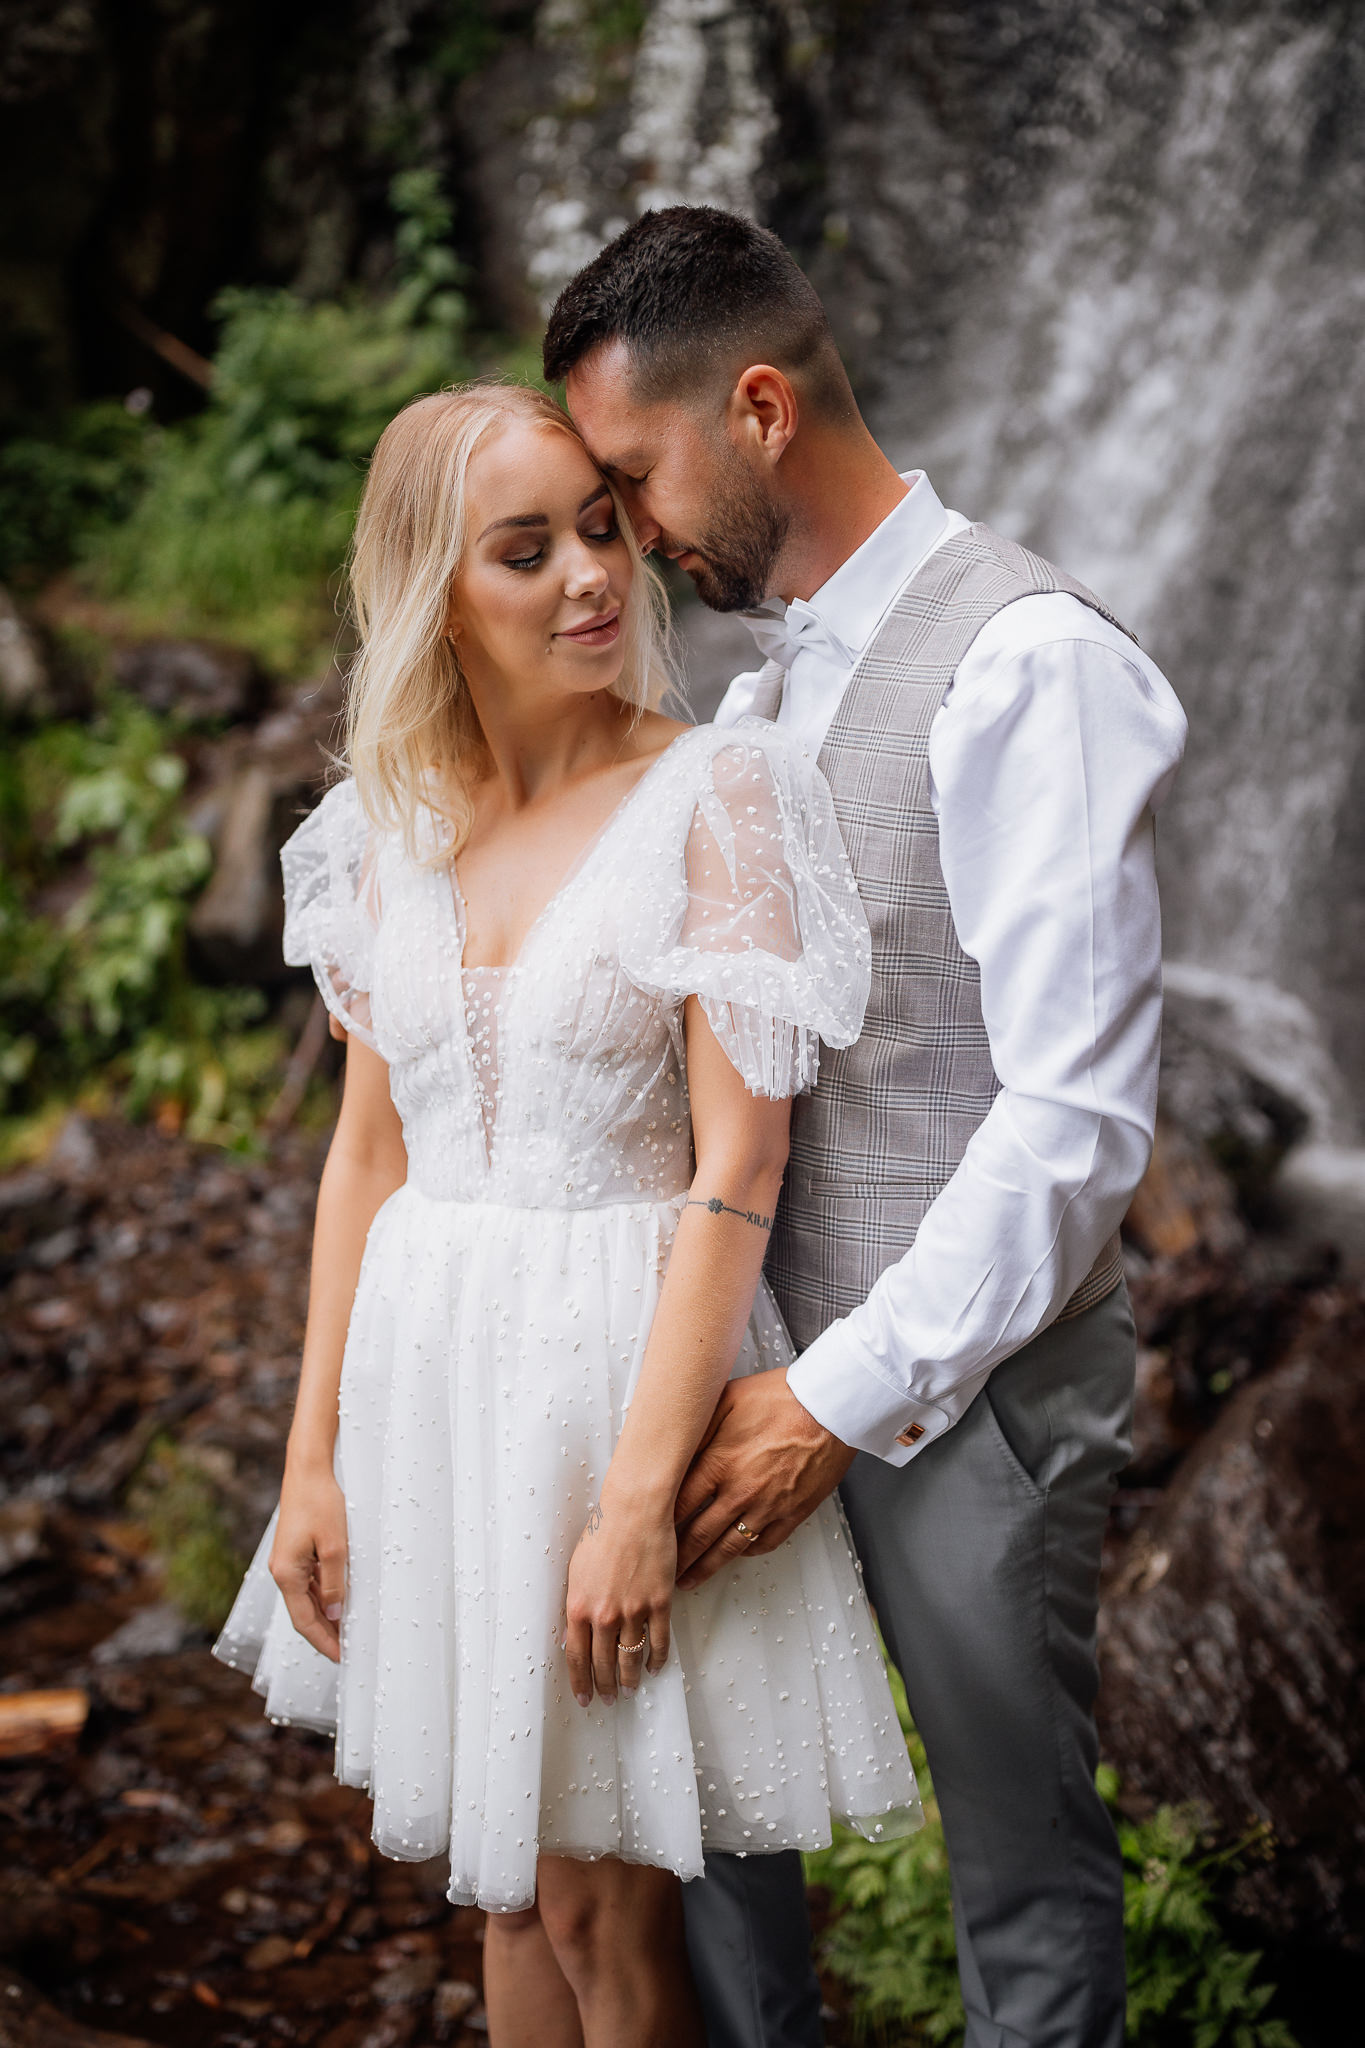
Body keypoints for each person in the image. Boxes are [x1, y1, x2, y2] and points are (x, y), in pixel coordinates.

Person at [544, 207, 1188, 2048]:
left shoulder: (1030, 662)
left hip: (967, 1395)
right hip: (743, 1357)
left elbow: (1073, 1122)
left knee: (1018, 1865)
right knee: (713, 1827)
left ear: (756, 409)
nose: (627, 535)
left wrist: (829, 1401)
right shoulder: (766, 682)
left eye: (633, 478)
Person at [213, 380, 921, 2048]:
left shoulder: (714, 796)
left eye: (600, 530)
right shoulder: (382, 830)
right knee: (512, 1891)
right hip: (430, 1392)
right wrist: (311, 1462)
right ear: (434, 594)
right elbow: (366, 1159)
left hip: (610, 1387)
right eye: (524, 551)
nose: (592, 575)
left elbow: (737, 1170)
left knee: (606, 1908)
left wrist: (633, 1503)